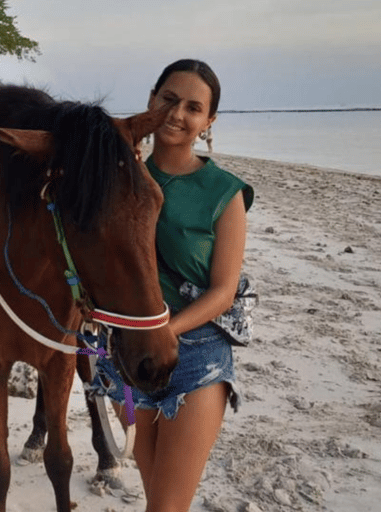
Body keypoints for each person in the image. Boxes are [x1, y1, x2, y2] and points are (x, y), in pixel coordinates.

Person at [89, 59, 254, 512]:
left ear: (208, 122)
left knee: (167, 507)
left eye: (193, 107)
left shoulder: (225, 191)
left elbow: (223, 292)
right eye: (169, 99)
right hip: (127, 353)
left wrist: (168, 329)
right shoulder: (116, 179)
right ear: (151, 101)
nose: (178, 113)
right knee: (155, 494)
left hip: (197, 354)